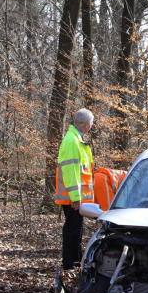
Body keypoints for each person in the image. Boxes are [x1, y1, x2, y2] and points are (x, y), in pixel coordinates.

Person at [55, 108, 95, 270]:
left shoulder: (76, 139)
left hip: (74, 195)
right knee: (73, 229)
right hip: (72, 196)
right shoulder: (72, 141)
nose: (92, 125)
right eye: (91, 123)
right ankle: (70, 263)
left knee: (76, 228)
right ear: (86, 124)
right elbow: (71, 171)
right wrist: (75, 197)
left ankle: (75, 260)